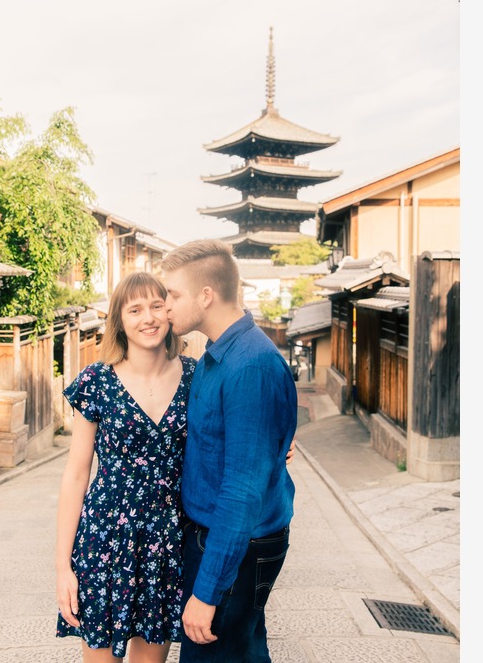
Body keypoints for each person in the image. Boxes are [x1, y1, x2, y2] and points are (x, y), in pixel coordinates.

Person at [159, 240, 298, 662]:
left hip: (235, 547)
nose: (166, 306)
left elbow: (242, 491)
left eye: (174, 294)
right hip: (218, 540)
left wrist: (207, 591)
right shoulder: (217, 357)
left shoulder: (249, 365)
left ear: (206, 295)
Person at [55, 271, 195, 662]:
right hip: (103, 539)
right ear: (119, 320)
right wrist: (63, 567)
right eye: (135, 309)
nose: (148, 318)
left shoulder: (196, 377)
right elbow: (76, 474)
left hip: (165, 541)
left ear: (169, 312)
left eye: (156, 306)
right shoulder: (97, 381)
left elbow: (230, 435)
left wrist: (277, 445)